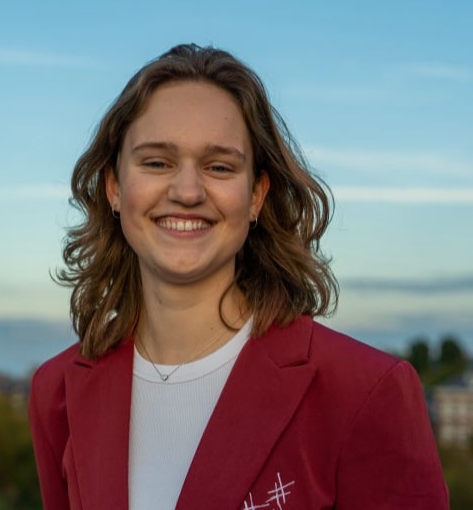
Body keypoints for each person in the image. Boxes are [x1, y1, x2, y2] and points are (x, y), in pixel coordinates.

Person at [29, 44, 449, 510]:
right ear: (113, 186)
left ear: (256, 196)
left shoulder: (366, 392)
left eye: (219, 167)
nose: (187, 191)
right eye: (156, 162)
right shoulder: (57, 393)